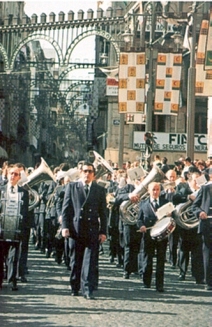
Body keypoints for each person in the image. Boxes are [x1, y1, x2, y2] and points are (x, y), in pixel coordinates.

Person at [61, 162, 107, 299]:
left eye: (90, 171)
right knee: (76, 260)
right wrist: (65, 227)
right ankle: (75, 285)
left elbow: (103, 213)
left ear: (94, 174)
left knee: (90, 261)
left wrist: (103, 231)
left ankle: (87, 289)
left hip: (92, 230)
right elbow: (66, 209)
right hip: (75, 230)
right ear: (80, 172)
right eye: (85, 171)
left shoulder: (99, 190)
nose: (87, 174)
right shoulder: (72, 186)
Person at [137, 182, 171, 292]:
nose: (155, 192)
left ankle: (159, 284)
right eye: (153, 190)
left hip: (162, 235)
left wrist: (170, 215)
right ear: (148, 191)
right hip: (148, 235)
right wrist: (141, 226)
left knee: (161, 260)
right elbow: (139, 219)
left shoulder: (165, 202)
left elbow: (172, 218)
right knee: (147, 258)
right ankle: (147, 281)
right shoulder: (143, 203)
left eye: (157, 189)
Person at [0, 164, 29, 291]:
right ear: (7, 175)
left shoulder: (24, 192)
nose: (13, 176)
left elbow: (25, 211)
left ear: (19, 177)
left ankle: (12, 280)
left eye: (16, 174)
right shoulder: (0, 189)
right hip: (2, 227)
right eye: (11, 173)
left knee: (13, 256)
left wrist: (23, 226)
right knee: (1, 256)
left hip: (16, 228)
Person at [192, 168, 212, 291]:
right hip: (207, 226)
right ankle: (209, 281)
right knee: (208, 254)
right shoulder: (204, 189)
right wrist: (200, 213)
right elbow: (195, 206)